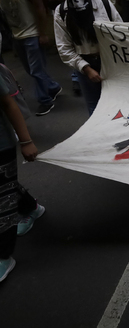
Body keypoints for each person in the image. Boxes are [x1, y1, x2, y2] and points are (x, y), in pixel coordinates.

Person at [0, 0, 62, 116]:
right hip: (17, 34)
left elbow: (40, 7)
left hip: (33, 33)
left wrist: (43, 33)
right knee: (31, 70)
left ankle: (45, 100)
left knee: (35, 70)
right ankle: (53, 87)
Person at [54, 0, 123, 115]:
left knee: (118, 104)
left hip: (110, 63)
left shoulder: (104, 5)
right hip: (86, 65)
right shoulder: (61, 12)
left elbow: (120, 34)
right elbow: (64, 48)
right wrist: (86, 68)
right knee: (95, 109)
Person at [0, 68, 44, 282]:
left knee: (2, 201)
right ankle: (30, 207)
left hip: (0, 146)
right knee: (5, 187)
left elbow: (8, 103)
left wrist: (26, 141)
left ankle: (3, 257)